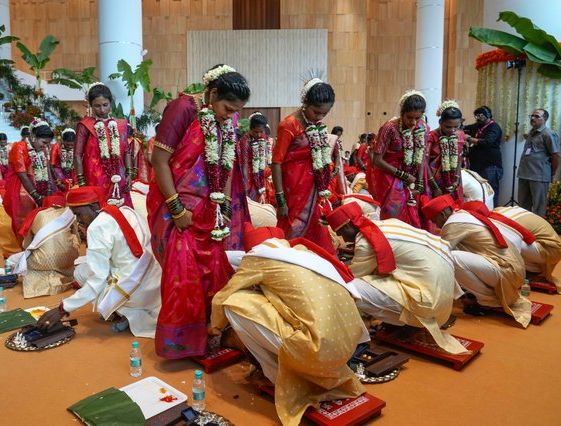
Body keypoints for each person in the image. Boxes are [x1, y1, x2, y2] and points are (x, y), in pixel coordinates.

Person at [211, 225, 367, 426]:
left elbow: (223, 295)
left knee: (233, 302)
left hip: (318, 352)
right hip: (348, 346)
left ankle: (275, 375)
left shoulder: (257, 258)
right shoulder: (303, 253)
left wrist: (215, 326)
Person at [147, 64, 251, 359]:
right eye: (227, 108)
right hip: (176, 208)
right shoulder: (182, 108)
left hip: (210, 210)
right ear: (212, 93)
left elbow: (226, 163)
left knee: (210, 272)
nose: (230, 116)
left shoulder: (227, 119)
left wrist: (227, 205)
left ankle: (209, 334)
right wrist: (177, 209)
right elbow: (159, 160)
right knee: (183, 276)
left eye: (236, 112)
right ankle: (182, 344)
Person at [329, 202, 467, 355]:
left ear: (348, 226)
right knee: (375, 278)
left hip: (429, 303)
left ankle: (408, 323)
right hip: (443, 296)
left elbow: (352, 276)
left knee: (348, 288)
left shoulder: (365, 241)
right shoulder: (389, 223)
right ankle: (403, 321)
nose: (342, 237)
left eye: (340, 232)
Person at [36, 186, 162, 337]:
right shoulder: (126, 210)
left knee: (81, 273)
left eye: (78, 214)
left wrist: (62, 309)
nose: (78, 220)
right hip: (157, 283)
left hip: (137, 292)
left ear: (93, 206)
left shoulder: (97, 227)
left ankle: (126, 313)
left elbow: (97, 280)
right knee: (91, 268)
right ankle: (125, 309)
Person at [422, 195, 531, 327]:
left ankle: (489, 301)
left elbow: (440, 255)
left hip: (507, 270)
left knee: (451, 258)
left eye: (435, 220)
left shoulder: (453, 224)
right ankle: (485, 296)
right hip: (515, 268)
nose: (435, 225)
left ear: (443, 214)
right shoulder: (463, 214)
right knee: (455, 255)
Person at [271, 78, 336, 254]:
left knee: (316, 226)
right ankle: (291, 265)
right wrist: (280, 199)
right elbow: (276, 162)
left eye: (325, 114)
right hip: (293, 190)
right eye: (316, 112)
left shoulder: (316, 124)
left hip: (313, 188)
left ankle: (314, 265)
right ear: (305, 102)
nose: (320, 117)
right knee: (293, 228)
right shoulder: (289, 125)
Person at [370, 90, 429, 229]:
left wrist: (419, 182)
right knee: (392, 216)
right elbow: (377, 160)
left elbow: (421, 156)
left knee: (413, 214)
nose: (413, 122)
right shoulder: (390, 128)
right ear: (402, 112)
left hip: (412, 176)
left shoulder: (422, 128)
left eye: (418, 118)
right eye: (409, 117)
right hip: (389, 177)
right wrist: (403, 175)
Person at [73, 83, 134, 207]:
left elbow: (127, 151)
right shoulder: (85, 125)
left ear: (110, 103)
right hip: (94, 179)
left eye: (105, 105)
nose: (102, 110)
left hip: (119, 176)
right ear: (90, 105)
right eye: (97, 106)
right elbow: (77, 155)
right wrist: (81, 182)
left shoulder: (121, 124)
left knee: (121, 213)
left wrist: (129, 174)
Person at [9, 194, 81, 298]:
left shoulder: (37, 215)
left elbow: (26, 244)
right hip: (67, 259)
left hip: (42, 262)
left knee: (13, 260)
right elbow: (77, 239)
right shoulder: (69, 215)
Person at [3, 118, 57, 240]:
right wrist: (36, 196)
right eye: (44, 142)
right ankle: (24, 250)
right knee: (22, 220)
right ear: (33, 136)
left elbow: (46, 169)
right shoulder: (19, 147)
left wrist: (48, 189)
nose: (46, 146)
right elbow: (22, 174)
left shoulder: (42, 149)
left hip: (37, 188)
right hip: (21, 189)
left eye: (48, 143)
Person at [488, 204, 561, 293]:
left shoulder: (496, 222)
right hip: (548, 246)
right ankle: (533, 269)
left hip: (550, 249)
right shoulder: (498, 211)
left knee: (502, 241)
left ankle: (518, 272)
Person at [517, 108, 560, 217]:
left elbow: (555, 155)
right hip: (524, 174)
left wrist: (552, 173)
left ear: (544, 119)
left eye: (537, 116)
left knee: (539, 208)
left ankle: (537, 233)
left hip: (538, 176)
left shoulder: (548, 134)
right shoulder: (531, 133)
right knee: (523, 207)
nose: (532, 118)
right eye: (531, 116)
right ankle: (523, 231)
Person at [463, 106, 503, 206]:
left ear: (487, 115)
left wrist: (469, 139)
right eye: (476, 116)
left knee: (490, 191)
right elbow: (465, 128)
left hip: (490, 166)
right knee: (479, 191)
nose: (478, 118)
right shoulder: (477, 126)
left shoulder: (494, 127)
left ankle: (492, 214)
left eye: (480, 115)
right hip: (477, 165)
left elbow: (487, 142)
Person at [426, 102, 465, 201]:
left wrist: (457, 180)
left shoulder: (459, 135)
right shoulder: (431, 136)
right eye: (448, 126)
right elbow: (424, 163)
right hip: (433, 182)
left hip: (454, 181)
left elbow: (459, 158)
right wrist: (435, 187)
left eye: (456, 126)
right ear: (440, 122)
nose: (452, 130)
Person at [239, 112, 270, 203]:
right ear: (251, 129)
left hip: (260, 170)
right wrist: (245, 186)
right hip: (248, 173)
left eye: (261, 132)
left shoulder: (262, 137)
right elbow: (244, 164)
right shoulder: (245, 141)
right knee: (250, 201)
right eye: (256, 132)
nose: (259, 135)